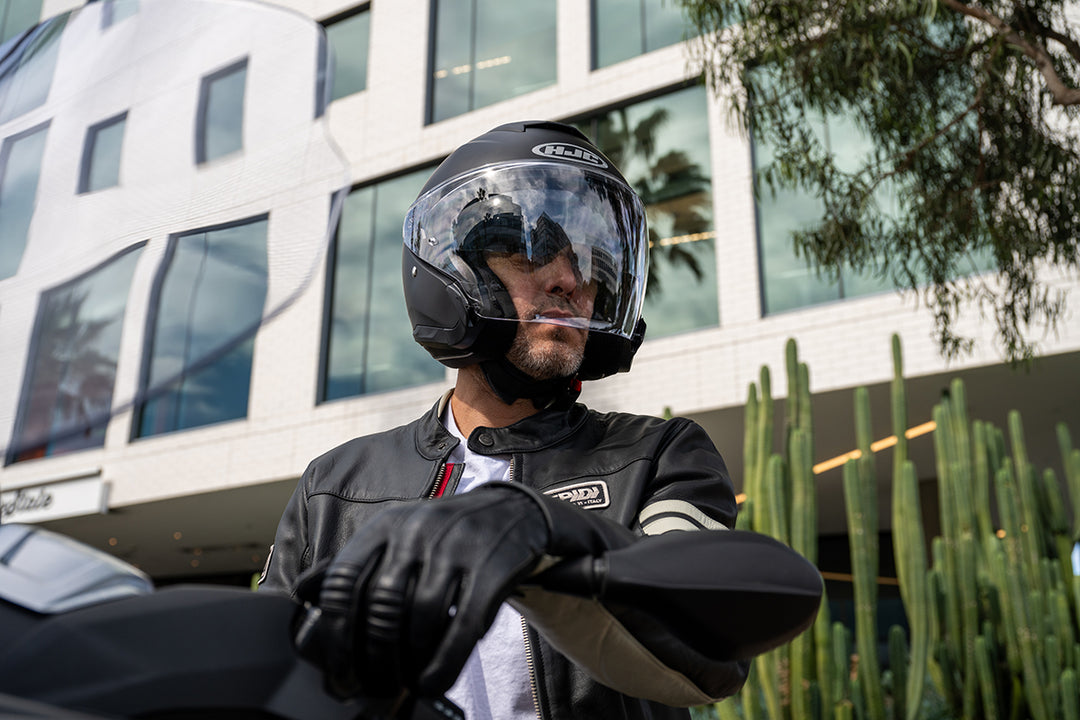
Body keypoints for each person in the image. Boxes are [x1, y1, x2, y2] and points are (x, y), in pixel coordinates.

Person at [260, 121, 749, 719]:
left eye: (589, 263)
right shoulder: (336, 486)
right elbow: (268, 673)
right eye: (527, 253)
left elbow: (707, 641)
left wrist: (544, 533)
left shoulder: (659, 454)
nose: (570, 280)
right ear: (455, 271)